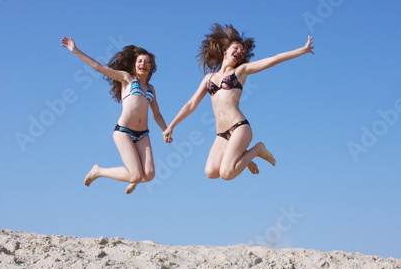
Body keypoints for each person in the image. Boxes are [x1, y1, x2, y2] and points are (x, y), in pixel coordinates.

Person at [162, 23, 314, 180]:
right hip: (221, 134)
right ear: (225, 50)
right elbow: (191, 104)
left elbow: (274, 59)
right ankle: (244, 155)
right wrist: (171, 126)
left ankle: (256, 149)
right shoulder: (209, 78)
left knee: (227, 174)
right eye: (236, 48)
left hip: (239, 127)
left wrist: (302, 50)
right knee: (211, 172)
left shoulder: (241, 71)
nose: (239, 52)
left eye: (242, 51)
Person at [61, 37, 169, 194]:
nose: (143, 64)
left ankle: (134, 179)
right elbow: (98, 67)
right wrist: (75, 50)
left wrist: (166, 130)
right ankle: (99, 171)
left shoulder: (151, 88)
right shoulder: (127, 79)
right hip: (124, 131)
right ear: (134, 64)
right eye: (140, 61)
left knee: (150, 175)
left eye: (147, 62)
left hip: (143, 134)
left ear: (151, 67)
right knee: (136, 175)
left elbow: (157, 114)